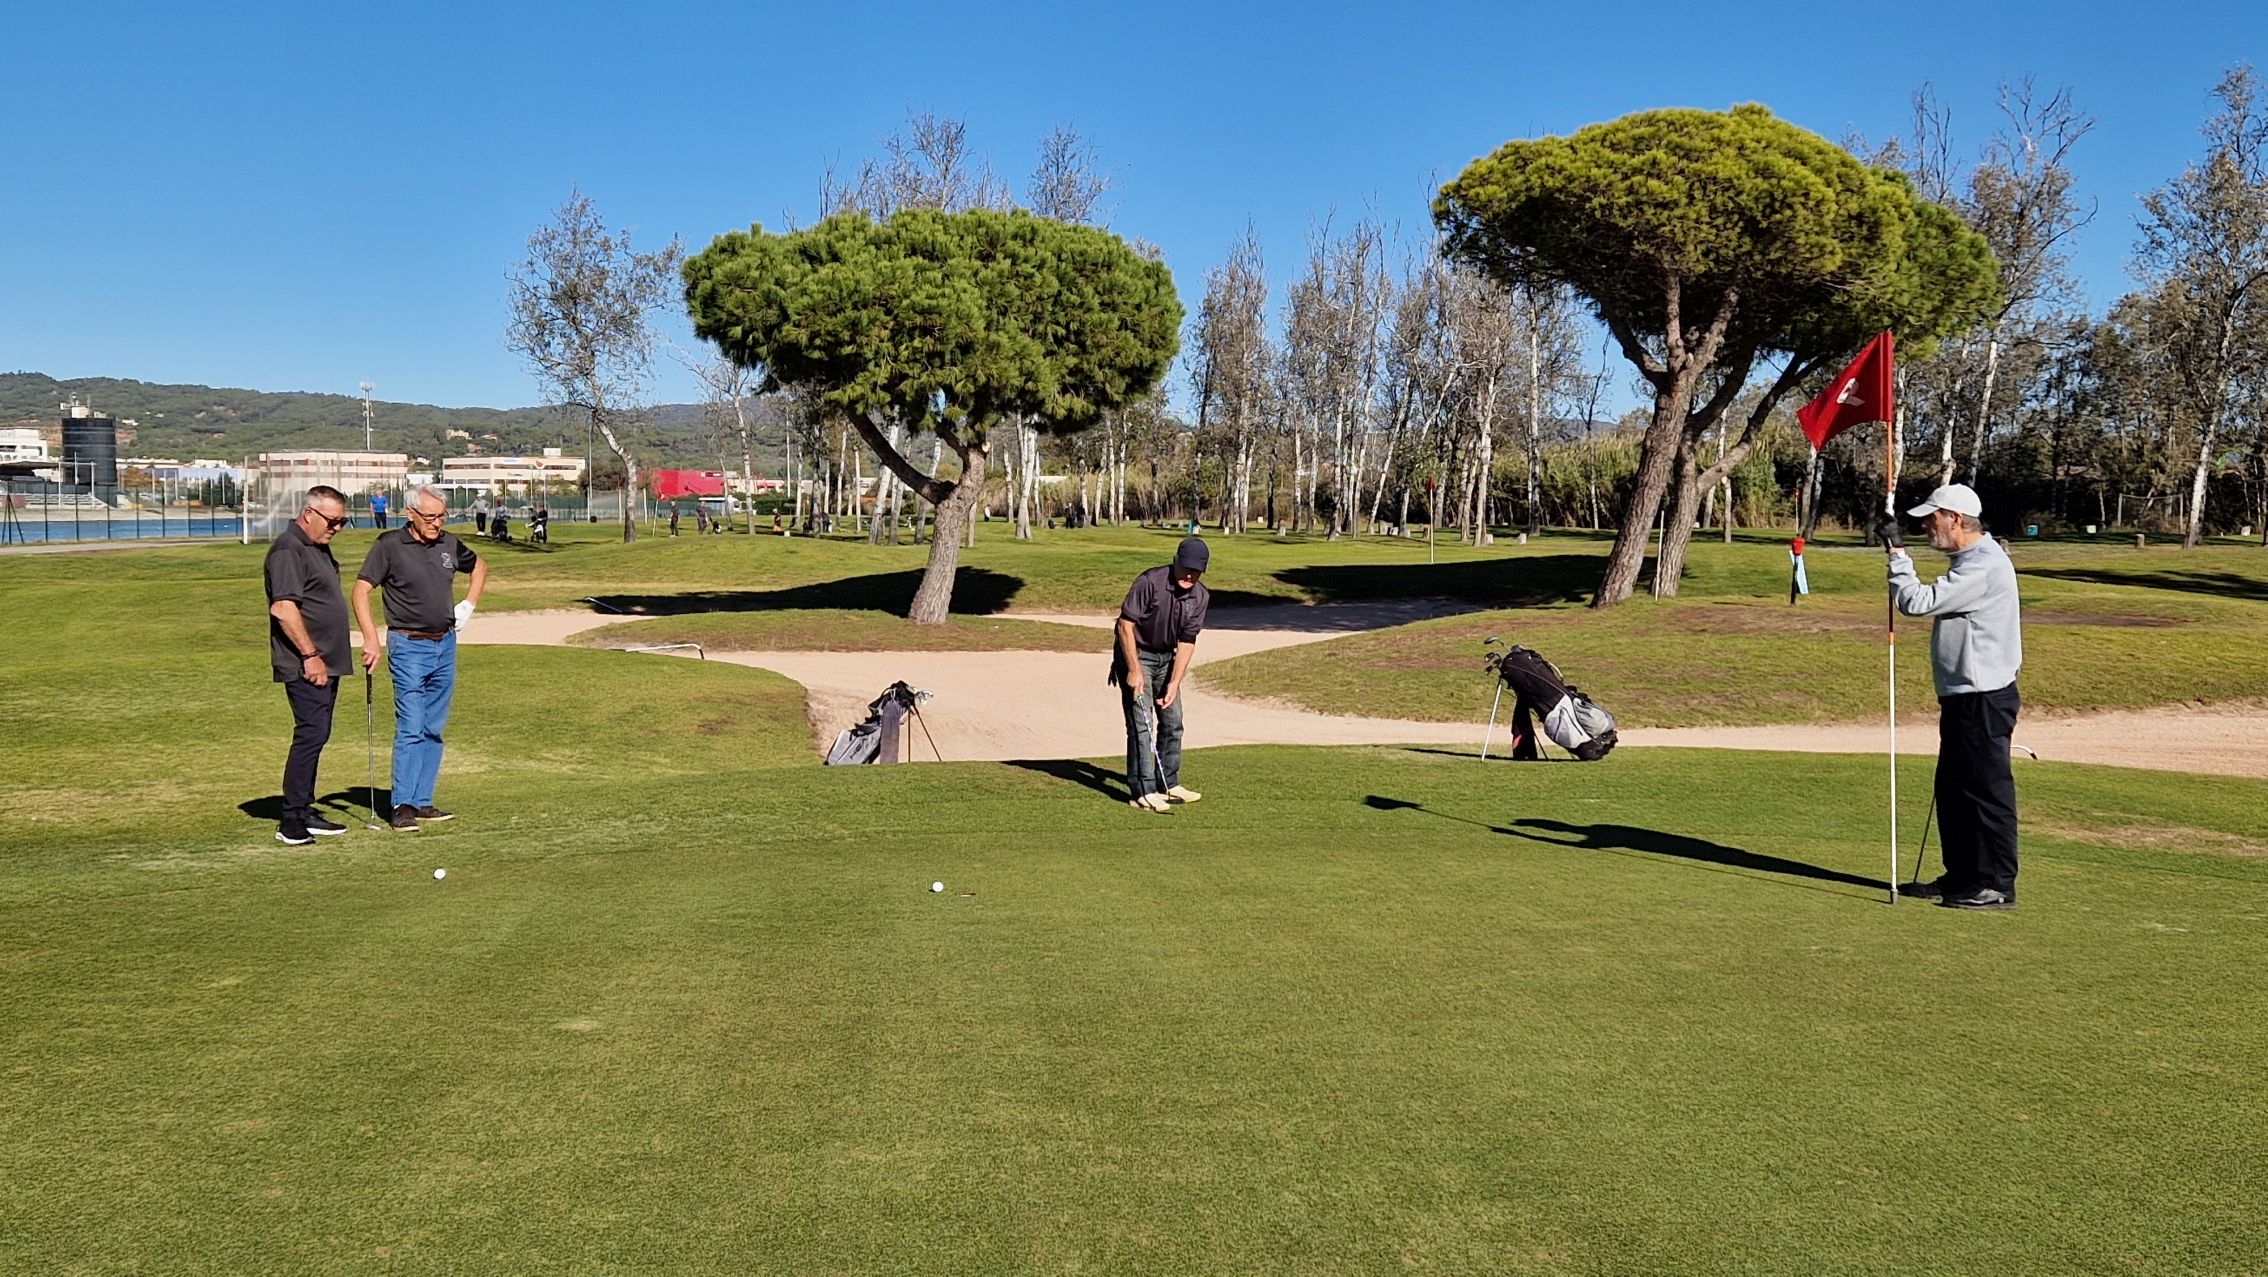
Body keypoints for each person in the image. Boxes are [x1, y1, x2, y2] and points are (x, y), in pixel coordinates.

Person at [1887, 483, 2024, 910]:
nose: (1926, 527)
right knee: (1954, 790)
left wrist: (1897, 556)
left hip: (1984, 696)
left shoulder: (1983, 565)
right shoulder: (1969, 560)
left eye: (1932, 518)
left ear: (1956, 519)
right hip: (1964, 694)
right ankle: (1963, 876)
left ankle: (1996, 883)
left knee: (1985, 791)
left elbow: (1916, 601)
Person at [354, 485, 488, 834]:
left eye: (442, 516)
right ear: (409, 514)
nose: (437, 523)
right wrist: (371, 638)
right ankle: (402, 805)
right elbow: (361, 591)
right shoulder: (389, 545)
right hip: (408, 646)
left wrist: (469, 604)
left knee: (433, 728)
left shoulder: (448, 544)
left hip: (445, 644)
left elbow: (479, 566)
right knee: (411, 726)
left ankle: (422, 800)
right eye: (430, 517)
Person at [264, 485, 355, 845]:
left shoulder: (316, 547)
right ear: (308, 514)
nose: (337, 528)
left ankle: (304, 809)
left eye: (342, 522)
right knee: (311, 734)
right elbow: (283, 609)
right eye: (332, 521)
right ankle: (291, 821)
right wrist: (310, 655)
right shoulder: (289, 550)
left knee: (318, 734)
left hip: (326, 661)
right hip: (307, 663)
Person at [1112, 537, 1210, 812]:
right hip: (1136, 653)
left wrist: (1175, 682)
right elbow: (1124, 626)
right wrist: (1134, 670)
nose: (1189, 575)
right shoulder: (1150, 582)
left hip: (1168, 658)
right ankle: (1142, 791)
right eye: (1186, 568)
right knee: (1141, 725)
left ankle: (1167, 782)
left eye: (1196, 571)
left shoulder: (1200, 596)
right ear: (1176, 561)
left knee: (1173, 720)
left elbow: (1187, 641)